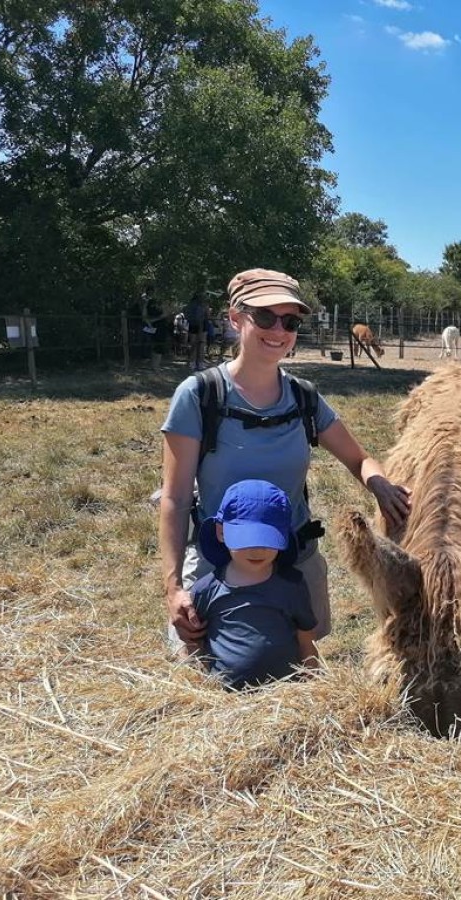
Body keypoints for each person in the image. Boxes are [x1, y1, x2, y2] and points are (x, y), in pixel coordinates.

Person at [160, 267, 411, 657]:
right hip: (220, 565)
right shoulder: (200, 395)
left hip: (292, 561)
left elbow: (360, 459)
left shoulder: (303, 397)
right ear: (235, 318)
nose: (278, 330)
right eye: (265, 317)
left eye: (290, 321)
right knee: (211, 671)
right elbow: (175, 500)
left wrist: (379, 484)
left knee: (297, 669)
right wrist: (174, 588)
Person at [188, 479, 322, 689]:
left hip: (285, 696)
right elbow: (194, 643)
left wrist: (312, 681)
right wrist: (197, 686)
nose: (257, 550)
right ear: (221, 532)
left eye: (267, 540)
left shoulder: (292, 585)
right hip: (225, 700)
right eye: (246, 540)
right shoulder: (205, 590)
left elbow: (306, 638)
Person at [185, 291, 210, 371]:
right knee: (201, 345)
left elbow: (186, 315)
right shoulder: (204, 305)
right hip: (202, 326)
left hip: (193, 326)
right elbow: (207, 316)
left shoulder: (190, 305)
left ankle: (192, 363)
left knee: (194, 344)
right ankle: (199, 363)